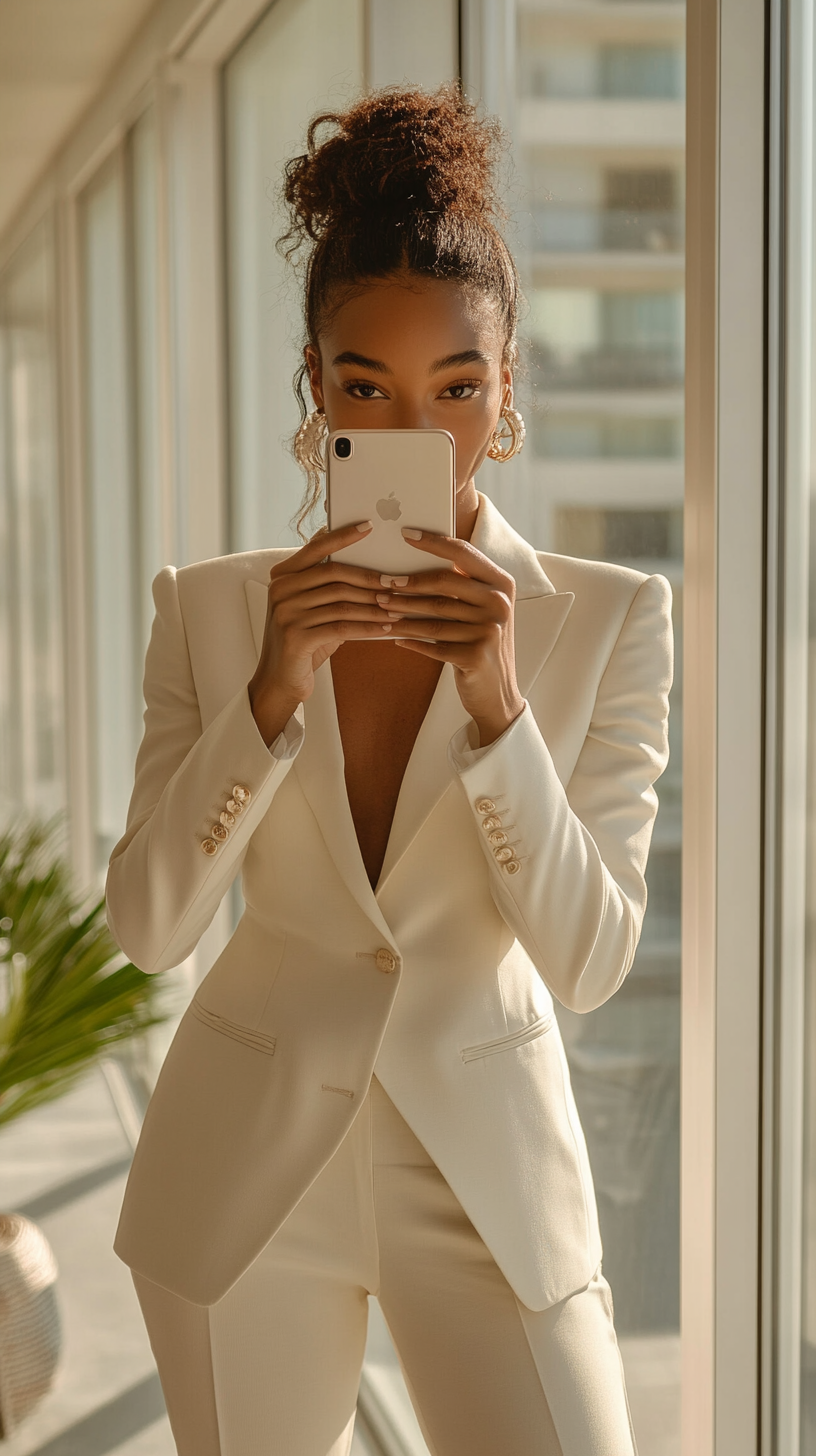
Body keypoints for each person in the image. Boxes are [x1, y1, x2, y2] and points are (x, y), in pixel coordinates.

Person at [107, 85, 672, 1456]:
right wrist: (269, 693)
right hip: (246, 1180)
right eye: (370, 387)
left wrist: (499, 711)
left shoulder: (607, 618)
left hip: (485, 1174)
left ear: (509, 388)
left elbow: (592, 959)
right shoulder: (214, 610)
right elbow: (150, 924)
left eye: (459, 390)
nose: (423, 429)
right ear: (317, 390)